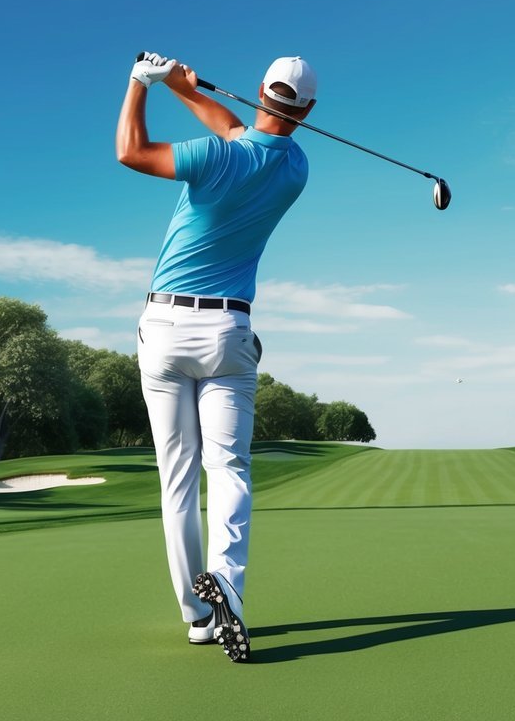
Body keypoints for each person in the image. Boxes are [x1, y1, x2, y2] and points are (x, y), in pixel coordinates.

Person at [115, 52, 317, 664]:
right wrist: (184, 88)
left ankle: (197, 617)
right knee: (228, 469)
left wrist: (140, 84)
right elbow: (238, 129)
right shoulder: (296, 168)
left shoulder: (213, 157)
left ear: (261, 89)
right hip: (230, 330)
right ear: (306, 111)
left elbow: (131, 150)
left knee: (177, 478)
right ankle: (226, 581)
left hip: (167, 326)